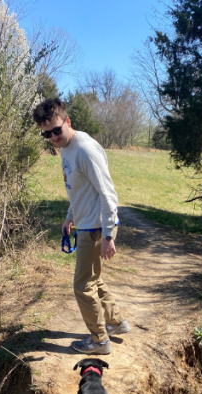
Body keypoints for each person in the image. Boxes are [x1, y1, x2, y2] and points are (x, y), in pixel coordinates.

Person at [32, 97, 131, 355]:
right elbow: (78, 188)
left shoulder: (85, 149)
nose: (53, 137)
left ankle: (99, 340)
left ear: (67, 121)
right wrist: (70, 215)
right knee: (93, 279)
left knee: (82, 285)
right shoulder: (66, 147)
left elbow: (108, 194)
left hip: (96, 227)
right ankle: (116, 322)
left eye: (57, 130)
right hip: (85, 223)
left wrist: (109, 234)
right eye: (47, 134)